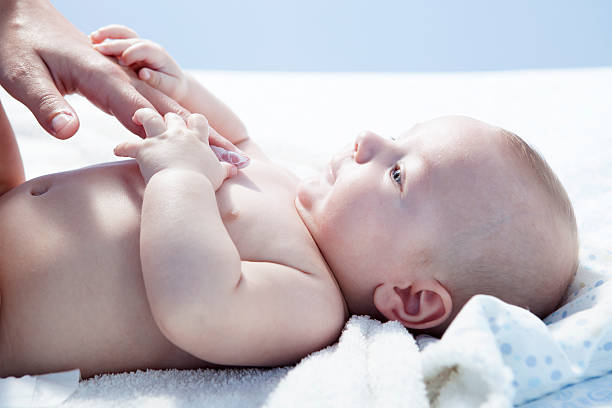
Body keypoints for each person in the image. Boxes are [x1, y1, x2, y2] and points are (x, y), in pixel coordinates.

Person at [0, 25, 578, 379]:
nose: (368, 140)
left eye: (398, 172)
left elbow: (195, 306)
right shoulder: (290, 190)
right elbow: (235, 141)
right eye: (398, 133)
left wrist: (182, 179)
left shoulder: (309, 301)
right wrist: (174, 85)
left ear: (409, 298)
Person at [0, 0, 242, 155]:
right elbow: (239, 142)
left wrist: (180, 186)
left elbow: (188, 237)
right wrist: (180, 89)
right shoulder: (273, 187)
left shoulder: (273, 230)